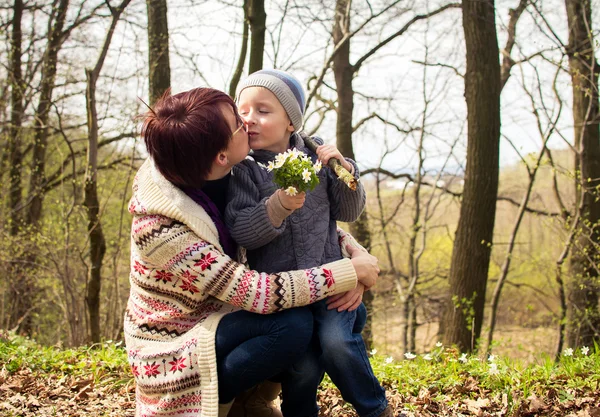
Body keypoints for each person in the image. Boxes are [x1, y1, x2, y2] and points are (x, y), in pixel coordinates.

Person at [123, 87, 381, 417]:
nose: (247, 122)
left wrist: (357, 255)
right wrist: (347, 273)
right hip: (177, 342)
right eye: (238, 120)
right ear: (220, 154)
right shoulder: (160, 230)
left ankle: (254, 397)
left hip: (222, 315)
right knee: (293, 325)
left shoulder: (217, 166)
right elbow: (254, 292)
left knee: (304, 322)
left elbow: (312, 226)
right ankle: (222, 404)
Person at [225, 69, 390, 417]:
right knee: (303, 370)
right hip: (288, 298)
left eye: (263, 111)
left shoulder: (318, 157)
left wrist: (344, 170)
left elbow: (349, 211)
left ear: (291, 123)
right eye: (243, 111)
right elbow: (243, 231)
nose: (249, 120)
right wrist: (278, 206)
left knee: (336, 345)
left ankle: (375, 409)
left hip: (334, 287)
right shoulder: (246, 170)